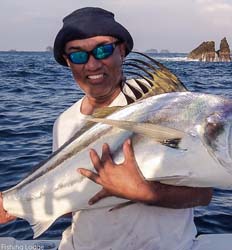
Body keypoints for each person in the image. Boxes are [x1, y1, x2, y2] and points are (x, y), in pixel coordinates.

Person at [0, 7, 212, 250]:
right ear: (68, 62)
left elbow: (203, 194)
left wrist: (144, 192)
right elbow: (75, 201)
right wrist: (17, 206)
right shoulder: (65, 122)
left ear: (121, 50)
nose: (92, 65)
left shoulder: (159, 102)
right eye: (78, 56)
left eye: (102, 50)